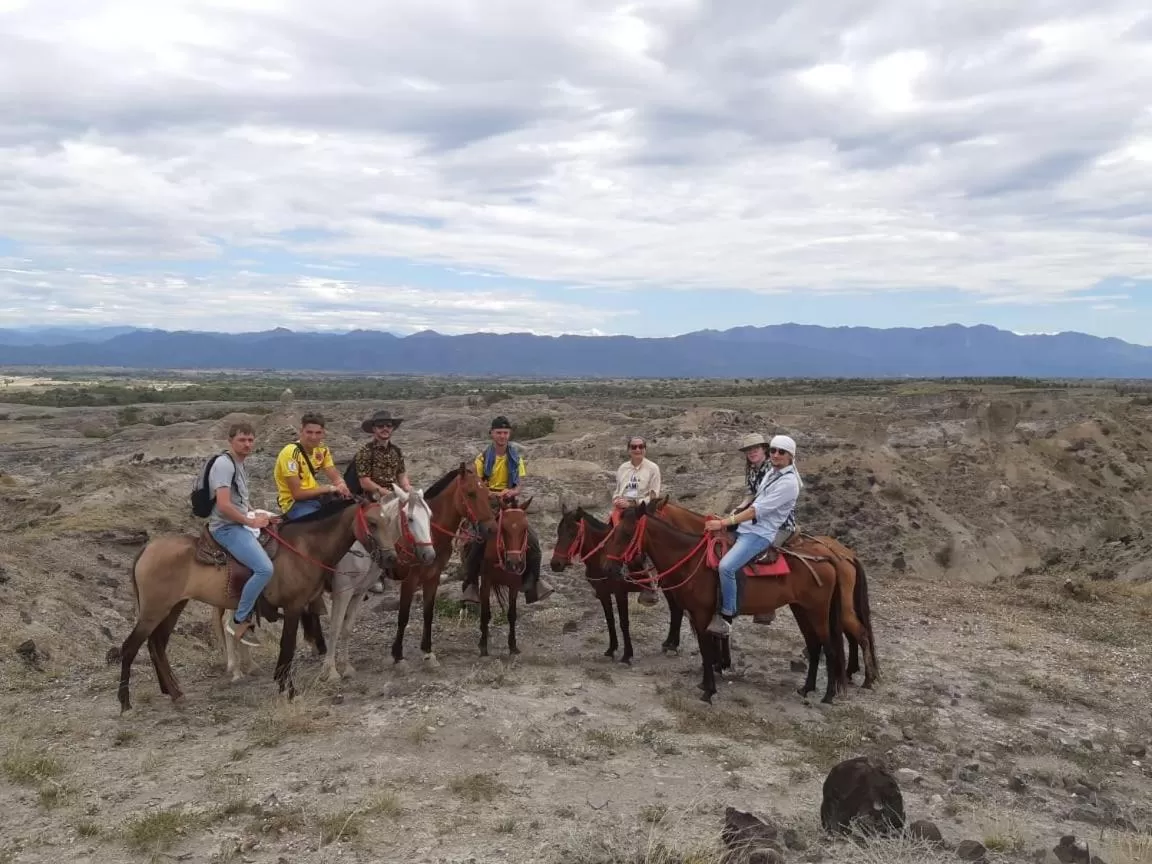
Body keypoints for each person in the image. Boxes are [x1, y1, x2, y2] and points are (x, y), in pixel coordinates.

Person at [702, 433, 803, 638]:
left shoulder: (789, 482)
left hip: (762, 531)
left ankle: (727, 616)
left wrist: (724, 522)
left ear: (790, 456)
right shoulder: (772, 473)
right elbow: (753, 498)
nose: (775, 455)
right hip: (749, 526)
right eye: (774, 450)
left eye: (781, 452)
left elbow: (756, 509)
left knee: (727, 566)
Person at [460, 415, 554, 604]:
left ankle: (534, 582)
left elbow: (519, 486)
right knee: (475, 541)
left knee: (533, 541)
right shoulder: (482, 459)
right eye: (498, 433)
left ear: (509, 434)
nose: (502, 436)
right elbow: (478, 485)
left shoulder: (515, 458)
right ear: (492, 434)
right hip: (489, 504)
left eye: (505, 433)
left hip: (511, 503)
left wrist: (511, 491)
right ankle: (471, 584)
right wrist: (493, 494)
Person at [211, 422, 275, 648]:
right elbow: (224, 505)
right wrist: (250, 520)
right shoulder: (224, 464)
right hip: (227, 527)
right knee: (265, 568)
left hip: (240, 521)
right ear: (230, 441)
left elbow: (238, 500)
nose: (247, 444)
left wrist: (255, 510)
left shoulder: (239, 463)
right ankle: (239, 618)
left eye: (250, 440)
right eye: (242, 440)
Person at [351, 409, 411, 598]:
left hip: (393, 494)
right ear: (373, 429)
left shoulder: (396, 451)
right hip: (371, 497)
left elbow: (402, 475)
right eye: (381, 426)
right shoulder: (364, 452)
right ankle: (375, 575)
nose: (385, 429)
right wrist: (389, 494)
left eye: (388, 425)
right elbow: (364, 481)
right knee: (378, 530)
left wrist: (408, 491)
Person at [612, 436, 662, 605]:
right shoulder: (622, 468)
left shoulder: (652, 468)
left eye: (641, 446)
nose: (637, 450)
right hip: (623, 509)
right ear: (629, 450)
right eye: (634, 447)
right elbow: (618, 490)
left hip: (642, 510)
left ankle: (650, 580)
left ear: (645, 449)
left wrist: (633, 503)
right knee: (607, 534)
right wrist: (617, 499)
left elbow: (654, 495)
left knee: (640, 540)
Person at [274, 412, 351, 521]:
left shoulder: (322, 449)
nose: (313, 437)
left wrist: (341, 484)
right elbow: (297, 494)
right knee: (319, 524)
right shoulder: (291, 453)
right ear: (301, 432)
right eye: (309, 432)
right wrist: (328, 488)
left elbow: (333, 473)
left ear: (323, 433)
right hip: (294, 503)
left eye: (318, 433)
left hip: (316, 498)